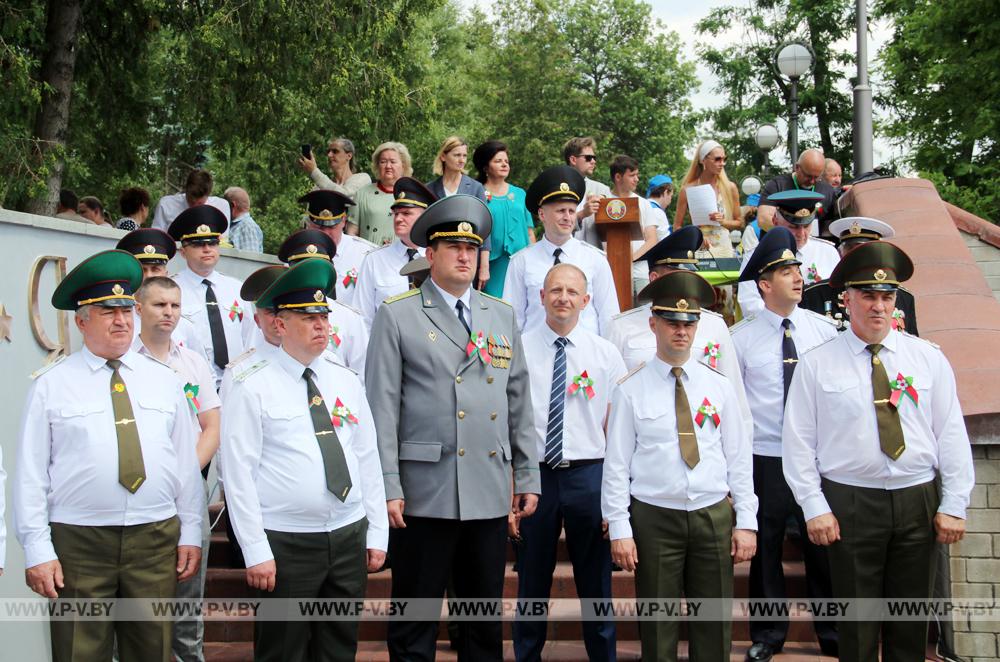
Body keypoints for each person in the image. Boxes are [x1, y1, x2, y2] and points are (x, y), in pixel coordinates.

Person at [366, 195, 540, 661]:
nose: (465, 256)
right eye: (452, 247)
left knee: (482, 623)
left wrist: (526, 475)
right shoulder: (398, 314)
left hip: (486, 487)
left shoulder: (499, 315)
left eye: (472, 248)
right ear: (430, 253)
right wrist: (387, 484)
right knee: (414, 622)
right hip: (425, 491)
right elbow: (381, 409)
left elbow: (518, 401)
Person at [782, 241, 975, 662]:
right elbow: (797, 442)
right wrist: (814, 506)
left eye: (887, 297)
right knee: (857, 625)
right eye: (868, 296)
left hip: (917, 499)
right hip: (850, 501)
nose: (878, 307)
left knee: (911, 620)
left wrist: (955, 501)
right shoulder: (817, 363)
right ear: (846, 299)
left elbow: (951, 435)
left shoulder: (927, 360)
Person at [14, 249, 204, 662]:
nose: (121, 321)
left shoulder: (164, 382)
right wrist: (37, 549)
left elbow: (185, 467)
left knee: (152, 651)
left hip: (154, 540)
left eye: (125, 310)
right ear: (81, 321)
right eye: (106, 312)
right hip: (80, 543)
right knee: (80, 652)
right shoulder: (51, 384)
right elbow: (31, 475)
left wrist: (191, 529)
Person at [222, 258, 388, 662]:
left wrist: (377, 529)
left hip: (348, 534)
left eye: (324, 315)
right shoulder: (251, 383)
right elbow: (237, 474)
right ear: (279, 325)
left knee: (338, 647)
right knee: (283, 650)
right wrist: (255, 548)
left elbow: (366, 455)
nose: (321, 325)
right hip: (286, 541)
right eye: (308, 317)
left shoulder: (343, 379)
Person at [602, 270, 757, 662]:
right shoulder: (630, 388)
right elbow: (617, 465)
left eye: (689, 323)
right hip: (655, 516)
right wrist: (620, 527)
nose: (681, 332)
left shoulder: (718, 385)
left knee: (714, 623)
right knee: (658, 624)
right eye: (672, 322)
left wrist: (746, 521)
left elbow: (738, 457)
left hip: (711, 514)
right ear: (653, 323)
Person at [730, 227, 839, 661]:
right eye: (786, 270)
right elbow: (736, 409)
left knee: (825, 548)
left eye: (797, 268)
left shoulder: (825, 331)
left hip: (817, 457)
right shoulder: (741, 338)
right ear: (763, 283)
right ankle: (769, 634)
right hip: (767, 456)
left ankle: (832, 632)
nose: (797, 276)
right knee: (767, 548)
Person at [514, 263, 625, 662]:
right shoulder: (518, 348)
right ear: (541, 297)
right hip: (535, 477)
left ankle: (603, 656)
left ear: (586, 300)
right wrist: (515, 480)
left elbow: (617, 426)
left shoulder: (605, 354)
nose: (563, 298)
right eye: (555, 290)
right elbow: (510, 419)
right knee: (531, 579)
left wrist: (616, 495)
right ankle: (527, 655)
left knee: (596, 582)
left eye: (572, 292)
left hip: (590, 475)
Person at [132, 276, 221, 662]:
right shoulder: (124, 364)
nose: (168, 313)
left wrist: (184, 476)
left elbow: (212, 426)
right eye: (158, 305)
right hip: (140, 494)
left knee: (187, 606)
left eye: (174, 305)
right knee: (136, 609)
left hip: (187, 493)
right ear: (138, 309)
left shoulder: (193, 362)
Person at [604, 225, 753, 442]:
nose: (687, 283)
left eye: (691, 275)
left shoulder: (714, 324)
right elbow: (610, 400)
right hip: (644, 443)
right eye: (678, 276)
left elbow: (735, 399)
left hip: (705, 444)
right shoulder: (621, 327)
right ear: (654, 278)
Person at [504, 165, 620, 336]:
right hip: (536, 358)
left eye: (572, 211)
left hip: (585, 358)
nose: (567, 217)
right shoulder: (521, 261)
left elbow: (609, 319)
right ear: (542, 215)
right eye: (560, 211)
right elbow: (512, 321)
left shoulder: (595, 259)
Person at [168, 205, 254, 387]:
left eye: (212, 243)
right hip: (193, 383)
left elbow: (250, 337)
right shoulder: (173, 291)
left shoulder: (237, 288)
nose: (207, 249)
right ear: (183, 252)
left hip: (237, 383)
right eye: (198, 244)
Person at [801, 217, 919, 335]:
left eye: (866, 251)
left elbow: (911, 345)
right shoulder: (813, 295)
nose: (858, 257)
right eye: (851, 250)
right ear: (840, 254)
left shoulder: (903, 297)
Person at [277, 228, 370, 377]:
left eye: (318, 268)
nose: (310, 274)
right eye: (302, 269)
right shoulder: (277, 313)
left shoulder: (350, 318)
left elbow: (362, 374)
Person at [737, 190, 839, 318]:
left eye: (807, 226)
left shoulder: (828, 252)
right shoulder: (757, 255)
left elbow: (838, 297)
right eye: (793, 227)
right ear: (775, 221)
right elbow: (750, 303)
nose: (801, 234)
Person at [355, 177, 435, 330]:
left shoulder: (440, 258)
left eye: (406, 213)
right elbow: (363, 318)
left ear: (425, 217)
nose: (398, 219)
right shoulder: (374, 260)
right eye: (395, 213)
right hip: (387, 347)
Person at [115, 227, 202, 350]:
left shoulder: (183, 325)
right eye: (143, 270)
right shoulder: (118, 322)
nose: (149, 275)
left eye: (155, 269)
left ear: (166, 274)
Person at [473, 140, 535, 298]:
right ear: (486, 167)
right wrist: (483, 267)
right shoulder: (477, 193)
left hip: (522, 261)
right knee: (494, 307)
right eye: (498, 161)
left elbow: (530, 232)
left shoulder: (520, 193)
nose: (504, 165)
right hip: (491, 265)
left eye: (506, 161)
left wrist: (535, 260)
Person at [298, 189, 377, 308]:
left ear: (344, 221)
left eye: (332, 227)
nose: (326, 233)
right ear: (309, 223)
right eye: (319, 227)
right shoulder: (296, 255)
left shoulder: (366, 254)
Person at [606, 155, 660, 294]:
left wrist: (630, 258)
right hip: (609, 272)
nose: (637, 179)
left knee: (641, 313)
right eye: (632, 175)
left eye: (637, 175)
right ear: (618, 177)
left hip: (639, 273)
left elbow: (652, 239)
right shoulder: (603, 201)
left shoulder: (643, 203)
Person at [757, 149, 841, 237]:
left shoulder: (828, 191)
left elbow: (832, 224)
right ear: (797, 167)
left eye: (816, 177)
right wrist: (794, 236)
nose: (812, 181)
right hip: (781, 243)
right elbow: (763, 220)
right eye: (808, 176)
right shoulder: (777, 185)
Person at [348, 141, 413, 245]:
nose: (388, 166)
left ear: (403, 165)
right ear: (377, 166)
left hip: (402, 257)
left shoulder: (413, 196)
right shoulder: (362, 194)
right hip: (368, 255)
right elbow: (351, 233)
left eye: (393, 161)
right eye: (383, 162)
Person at [562, 136, 611, 248]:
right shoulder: (557, 188)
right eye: (588, 158)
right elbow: (553, 227)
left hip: (594, 256)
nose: (593, 161)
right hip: (566, 255)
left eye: (594, 158)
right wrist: (583, 214)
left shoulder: (602, 189)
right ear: (573, 160)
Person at [151, 168, 232, 231]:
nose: (195, 206)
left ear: (208, 195)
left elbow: (223, 242)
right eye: (191, 201)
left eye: (200, 203)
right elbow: (157, 236)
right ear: (185, 190)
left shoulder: (221, 207)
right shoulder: (166, 205)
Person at [297, 136, 372, 198]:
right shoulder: (318, 188)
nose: (329, 155)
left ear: (349, 156)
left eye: (335, 151)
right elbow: (309, 214)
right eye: (328, 152)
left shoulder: (363, 179)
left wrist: (314, 172)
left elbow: (343, 195)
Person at [223, 186, 264, 253]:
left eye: (225, 205)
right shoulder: (238, 226)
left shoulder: (247, 227)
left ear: (233, 205)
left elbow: (250, 260)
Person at [646, 174, 674, 241]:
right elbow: (666, 243)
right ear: (666, 192)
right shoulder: (658, 212)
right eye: (671, 196)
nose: (670, 200)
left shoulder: (642, 205)